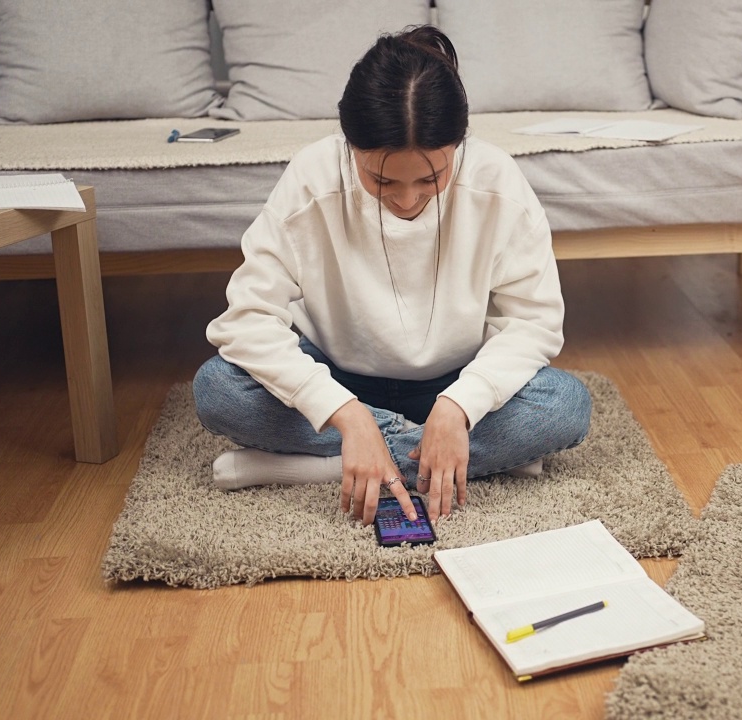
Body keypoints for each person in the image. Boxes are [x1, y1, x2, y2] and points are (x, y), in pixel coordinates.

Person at [192, 26, 591, 525]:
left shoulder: (498, 181)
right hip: (336, 378)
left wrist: (458, 408)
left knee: (565, 405)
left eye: (431, 179)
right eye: (382, 180)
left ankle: (322, 465)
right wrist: (346, 415)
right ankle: (425, 457)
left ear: (459, 145)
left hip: (452, 383)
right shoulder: (312, 176)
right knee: (219, 389)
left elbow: (533, 325)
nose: (406, 200)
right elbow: (247, 322)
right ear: (350, 146)